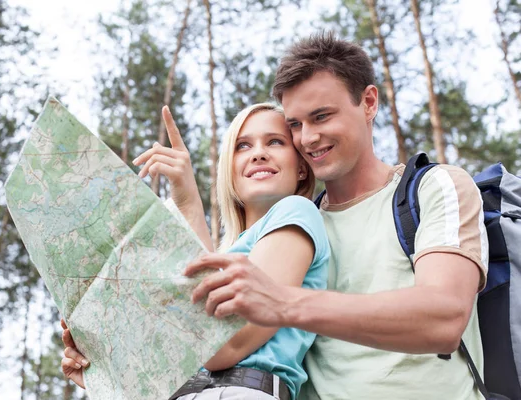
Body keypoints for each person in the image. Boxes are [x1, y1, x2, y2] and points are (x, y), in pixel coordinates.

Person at [183, 32, 488, 399]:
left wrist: (284, 303)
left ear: (369, 102)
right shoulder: (295, 225)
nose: (308, 138)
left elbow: (444, 317)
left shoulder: (432, 187)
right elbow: (220, 337)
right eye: (295, 124)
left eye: (321, 116)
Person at [61, 103, 331, 400]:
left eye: (275, 142)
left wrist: (189, 202)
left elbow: (226, 346)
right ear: (229, 168)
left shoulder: (297, 212)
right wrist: (104, 368)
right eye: (243, 145)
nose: (258, 153)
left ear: (302, 168)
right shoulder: (226, 255)